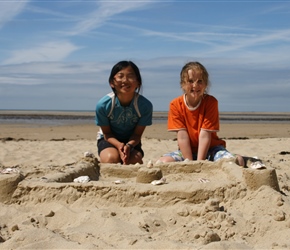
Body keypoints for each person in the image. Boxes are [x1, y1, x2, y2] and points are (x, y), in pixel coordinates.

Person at [159, 61, 244, 166]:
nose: (195, 85)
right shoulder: (175, 104)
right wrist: (189, 163)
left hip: (212, 148)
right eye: (190, 81)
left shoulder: (210, 102)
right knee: (163, 162)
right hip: (187, 151)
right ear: (183, 84)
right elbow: (182, 137)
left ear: (206, 84)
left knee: (237, 160)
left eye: (200, 81)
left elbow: (205, 135)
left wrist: (200, 163)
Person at [95, 60, 153, 165]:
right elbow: (107, 134)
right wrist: (119, 145)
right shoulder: (103, 105)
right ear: (112, 82)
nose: (125, 80)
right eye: (120, 76)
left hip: (131, 141)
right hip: (109, 139)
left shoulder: (145, 106)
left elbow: (137, 134)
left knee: (133, 160)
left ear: (138, 82)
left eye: (130, 76)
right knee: (111, 159)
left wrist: (129, 146)